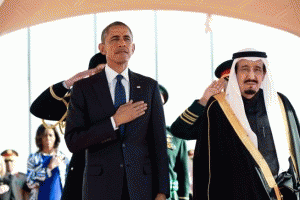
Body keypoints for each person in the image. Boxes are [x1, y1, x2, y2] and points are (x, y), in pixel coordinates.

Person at [171, 49, 300, 199]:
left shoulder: (277, 104)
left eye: (257, 70)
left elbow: (294, 149)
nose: (250, 76)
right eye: (244, 70)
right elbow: (180, 130)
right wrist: (203, 102)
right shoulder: (217, 111)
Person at [65, 21, 169, 200]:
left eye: (126, 39)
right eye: (115, 39)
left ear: (133, 47)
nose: (122, 43)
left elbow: (159, 143)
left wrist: (162, 191)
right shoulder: (84, 89)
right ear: (102, 48)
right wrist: (115, 121)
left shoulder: (149, 87)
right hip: (100, 189)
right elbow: (73, 141)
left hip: (142, 189)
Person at [29, 52, 106, 200]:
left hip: (115, 175)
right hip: (82, 176)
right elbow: (38, 108)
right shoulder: (78, 102)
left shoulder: (129, 100)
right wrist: (70, 82)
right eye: (99, 72)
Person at [159, 85, 190, 200]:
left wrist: (184, 197)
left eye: (160, 104)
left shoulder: (175, 135)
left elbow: (183, 173)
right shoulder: (132, 135)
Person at [27, 125, 69, 200]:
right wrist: (49, 168)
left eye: (50, 135)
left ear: (55, 138)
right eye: (44, 135)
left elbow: (69, 182)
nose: (48, 138)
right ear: (40, 138)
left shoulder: (62, 158)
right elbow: (30, 182)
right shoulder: (33, 158)